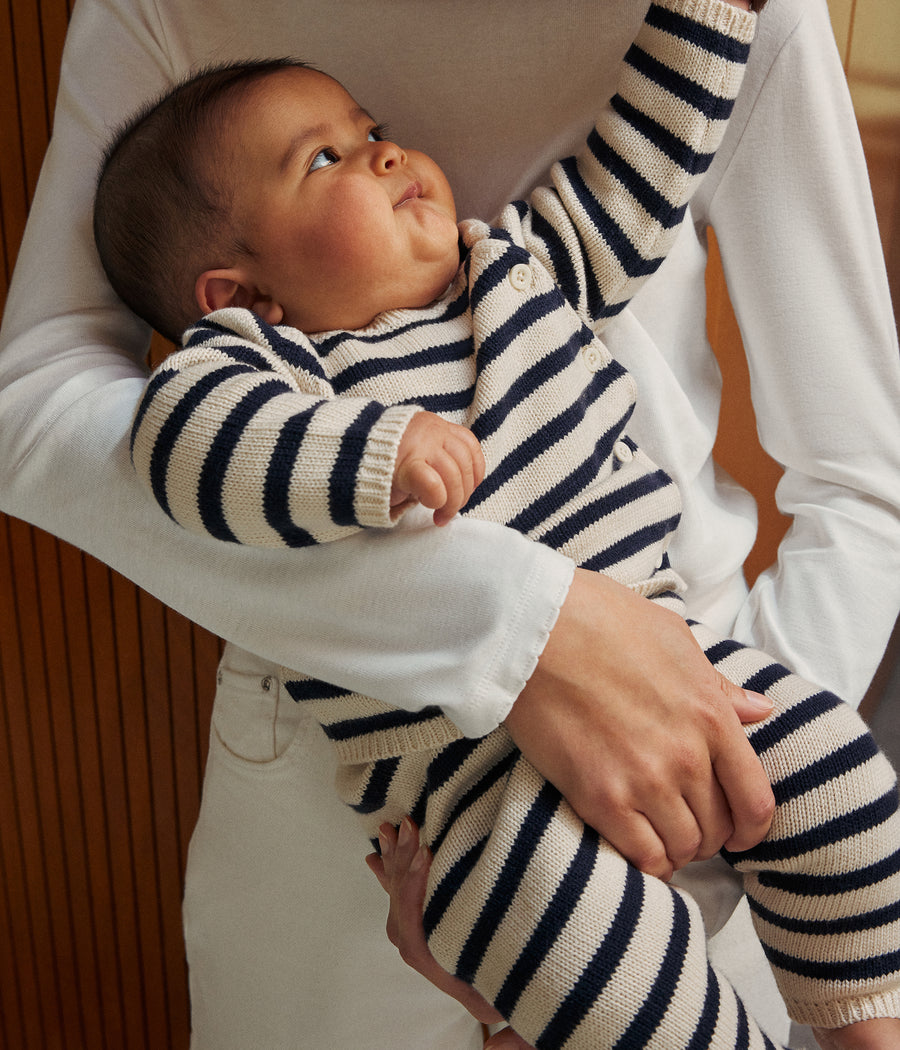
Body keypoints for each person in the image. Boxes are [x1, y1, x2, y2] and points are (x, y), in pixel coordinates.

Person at [1, 0, 898, 1047]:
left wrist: (709, 15)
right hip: (449, 789)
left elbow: (640, 177)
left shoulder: (515, 269)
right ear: (245, 298)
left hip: (692, 674)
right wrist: (377, 468)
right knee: (586, 953)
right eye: (328, 159)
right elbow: (172, 442)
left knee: (846, 786)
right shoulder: (268, 372)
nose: (384, 158)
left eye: (369, 131)